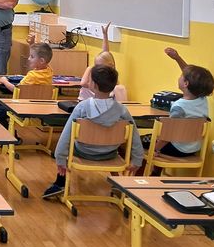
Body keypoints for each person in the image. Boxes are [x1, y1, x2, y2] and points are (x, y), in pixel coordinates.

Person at [43, 65, 144, 199]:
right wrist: (137, 159)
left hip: (83, 152)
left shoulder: (82, 107)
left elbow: (66, 134)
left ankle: (60, 183)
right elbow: (134, 136)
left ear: (94, 85)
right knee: (118, 138)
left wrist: (60, 158)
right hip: (109, 154)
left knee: (72, 144)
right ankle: (117, 183)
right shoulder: (122, 110)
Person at [160, 47, 214, 156]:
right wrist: (177, 58)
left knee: (146, 140)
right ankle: (156, 171)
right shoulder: (202, 99)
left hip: (177, 149)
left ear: (186, 83)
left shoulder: (179, 107)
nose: (180, 76)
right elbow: (193, 77)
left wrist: (156, 149)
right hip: (194, 148)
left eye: (181, 76)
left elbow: (169, 134)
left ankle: (153, 171)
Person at [0, 41, 54, 127]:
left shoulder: (32, 76)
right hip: (41, 108)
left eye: (32, 57)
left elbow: (16, 90)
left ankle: (10, 136)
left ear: (42, 61)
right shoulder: (49, 71)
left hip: (24, 108)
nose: (28, 59)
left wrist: (4, 81)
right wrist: (31, 44)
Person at [78, 22, 127, 102]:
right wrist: (95, 88)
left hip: (102, 98)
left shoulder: (110, 74)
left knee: (120, 88)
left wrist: (105, 35)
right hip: (88, 99)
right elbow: (83, 83)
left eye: (100, 65)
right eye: (96, 65)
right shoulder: (91, 69)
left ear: (110, 66)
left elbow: (106, 53)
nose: (98, 67)